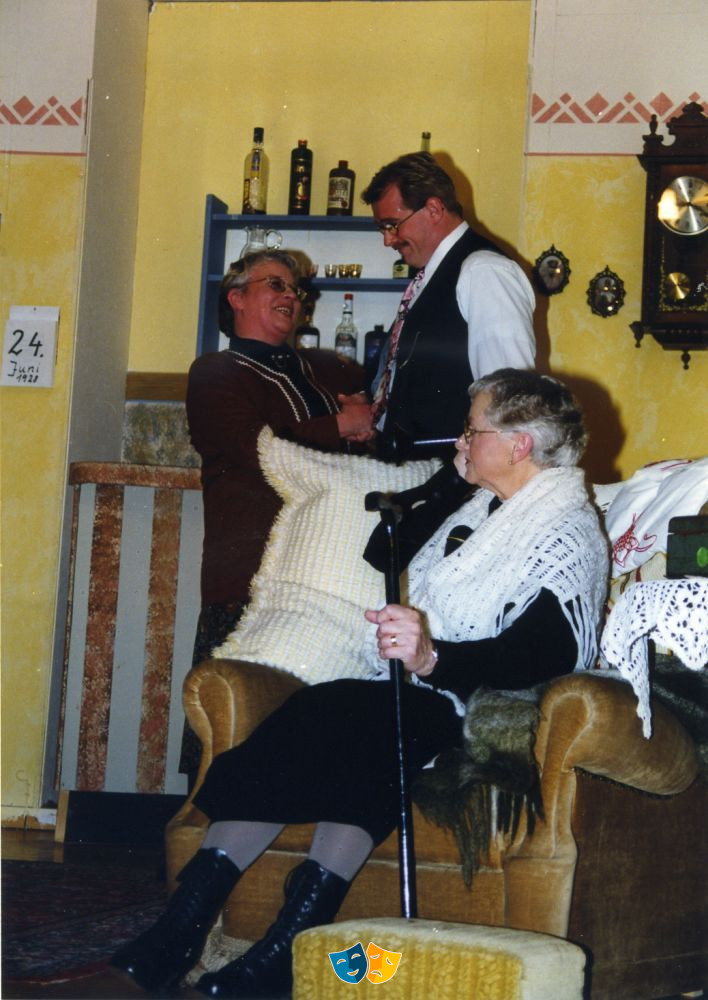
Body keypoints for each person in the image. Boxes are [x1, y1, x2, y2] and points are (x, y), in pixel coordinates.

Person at [111, 369, 608, 999]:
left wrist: (432, 659)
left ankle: (274, 944)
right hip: (419, 691)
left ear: (519, 445)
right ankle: (186, 927)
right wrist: (450, 482)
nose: (461, 440)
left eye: (472, 430)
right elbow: (383, 551)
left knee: (356, 719)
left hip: (485, 707)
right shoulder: (483, 505)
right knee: (331, 715)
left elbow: (543, 654)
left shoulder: (566, 529)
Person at [180, 250, 373, 779]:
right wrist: (343, 425)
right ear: (236, 297)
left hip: (325, 573)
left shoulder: (322, 369)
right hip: (250, 574)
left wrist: (363, 426)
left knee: (310, 740)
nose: (291, 296)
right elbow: (253, 447)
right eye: (276, 285)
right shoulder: (214, 372)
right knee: (233, 729)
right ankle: (207, 826)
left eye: (296, 289)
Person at [356, 152, 536, 461]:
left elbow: (509, 403)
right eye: (382, 228)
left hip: (453, 477)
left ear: (434, 209)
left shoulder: (484, 271)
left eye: (392, 225)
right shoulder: (431, 276)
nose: (387, 240)